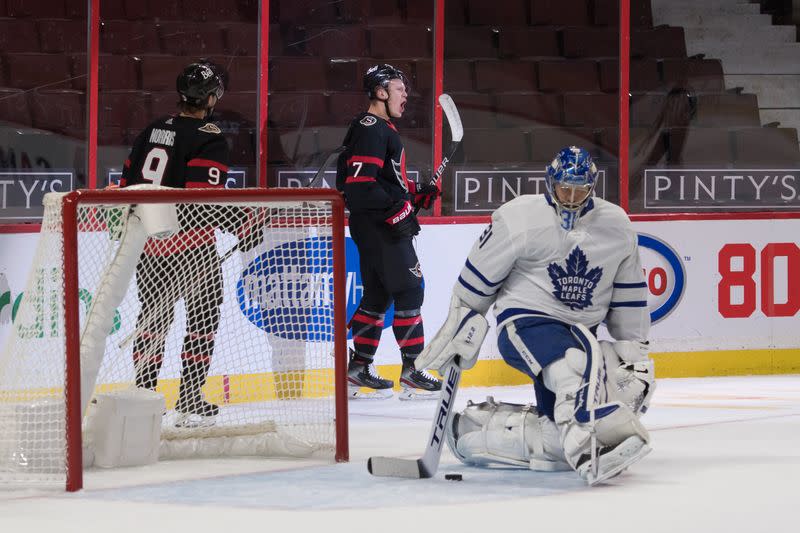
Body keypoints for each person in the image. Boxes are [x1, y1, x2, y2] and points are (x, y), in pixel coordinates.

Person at [416, 146, 656, 484]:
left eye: (580, 190)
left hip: (578, 333)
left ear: (593, 187)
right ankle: (585, 445)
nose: (571, 197)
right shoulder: (520, 218)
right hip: (526, 322)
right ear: (550, 183)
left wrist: (634, 347)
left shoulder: (616, 226)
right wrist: (462, 319)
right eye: (564, 189)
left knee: (619, 382)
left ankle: (489, 434)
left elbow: (629, 296)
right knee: (573, 365)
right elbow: (476, 283)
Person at [120, 61, 262, 426]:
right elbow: (204, 203)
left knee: (152, 323)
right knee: (201, 323)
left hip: (150, 247)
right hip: (193, 250)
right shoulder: (208, 137)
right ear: (211, 98)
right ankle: (189, 400)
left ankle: (145, 399)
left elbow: (127, 185)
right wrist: (243, 224)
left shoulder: (151, 129)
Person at [335, 64, 442, 400]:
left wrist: (414, 193)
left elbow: (383, 179)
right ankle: (412, 371)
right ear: (380, 91)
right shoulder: (372, 128)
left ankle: (358, 369)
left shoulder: (376, 128)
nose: (405, 94)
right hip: (380, 226)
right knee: (410, 289)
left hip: (372, 224)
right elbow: (359, 186)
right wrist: (397, 210)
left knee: (378, 296)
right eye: (399, 88)